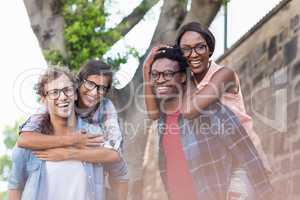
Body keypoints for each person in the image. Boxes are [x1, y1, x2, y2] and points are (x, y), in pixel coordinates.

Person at [144, 22, 272, 198]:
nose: (194, 54)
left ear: (209, 49)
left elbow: (189, 110)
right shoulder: (188, 82)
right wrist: (146, 69)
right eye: (186, 49)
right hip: (218, 158)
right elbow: (153, 114)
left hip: (242, 159)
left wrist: (184, 74)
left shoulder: (223, 75)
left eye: (200, 47)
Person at [16, 60, 128, 200]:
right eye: (90, 84)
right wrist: (72, 140)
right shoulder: (61, 98)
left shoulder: (106, 107)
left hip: (93, 168)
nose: (94, 92)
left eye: (102, 88)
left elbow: (114, 154)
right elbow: (24, 139)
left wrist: (69, 153)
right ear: (79, 82)